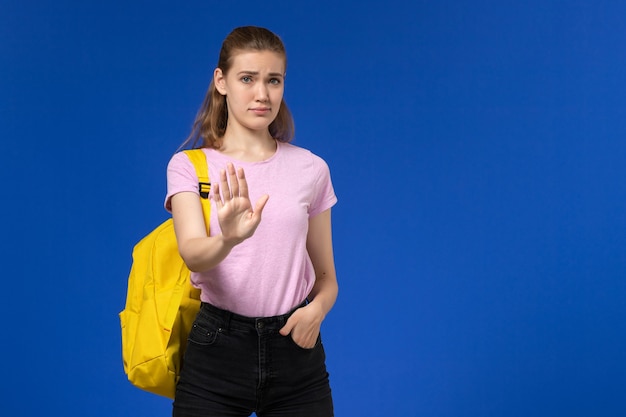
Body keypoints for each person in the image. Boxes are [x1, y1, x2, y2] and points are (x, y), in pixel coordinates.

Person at [165, 26, 338, 417]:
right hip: (216, 351)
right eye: (248, 79)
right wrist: (228, 238)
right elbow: (193, 254)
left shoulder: (311, 169)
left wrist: (317, 310)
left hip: (296, 352)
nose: (262, 94)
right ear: (221, 81)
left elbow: (327, 277)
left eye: (273, 80)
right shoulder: (190, 167)